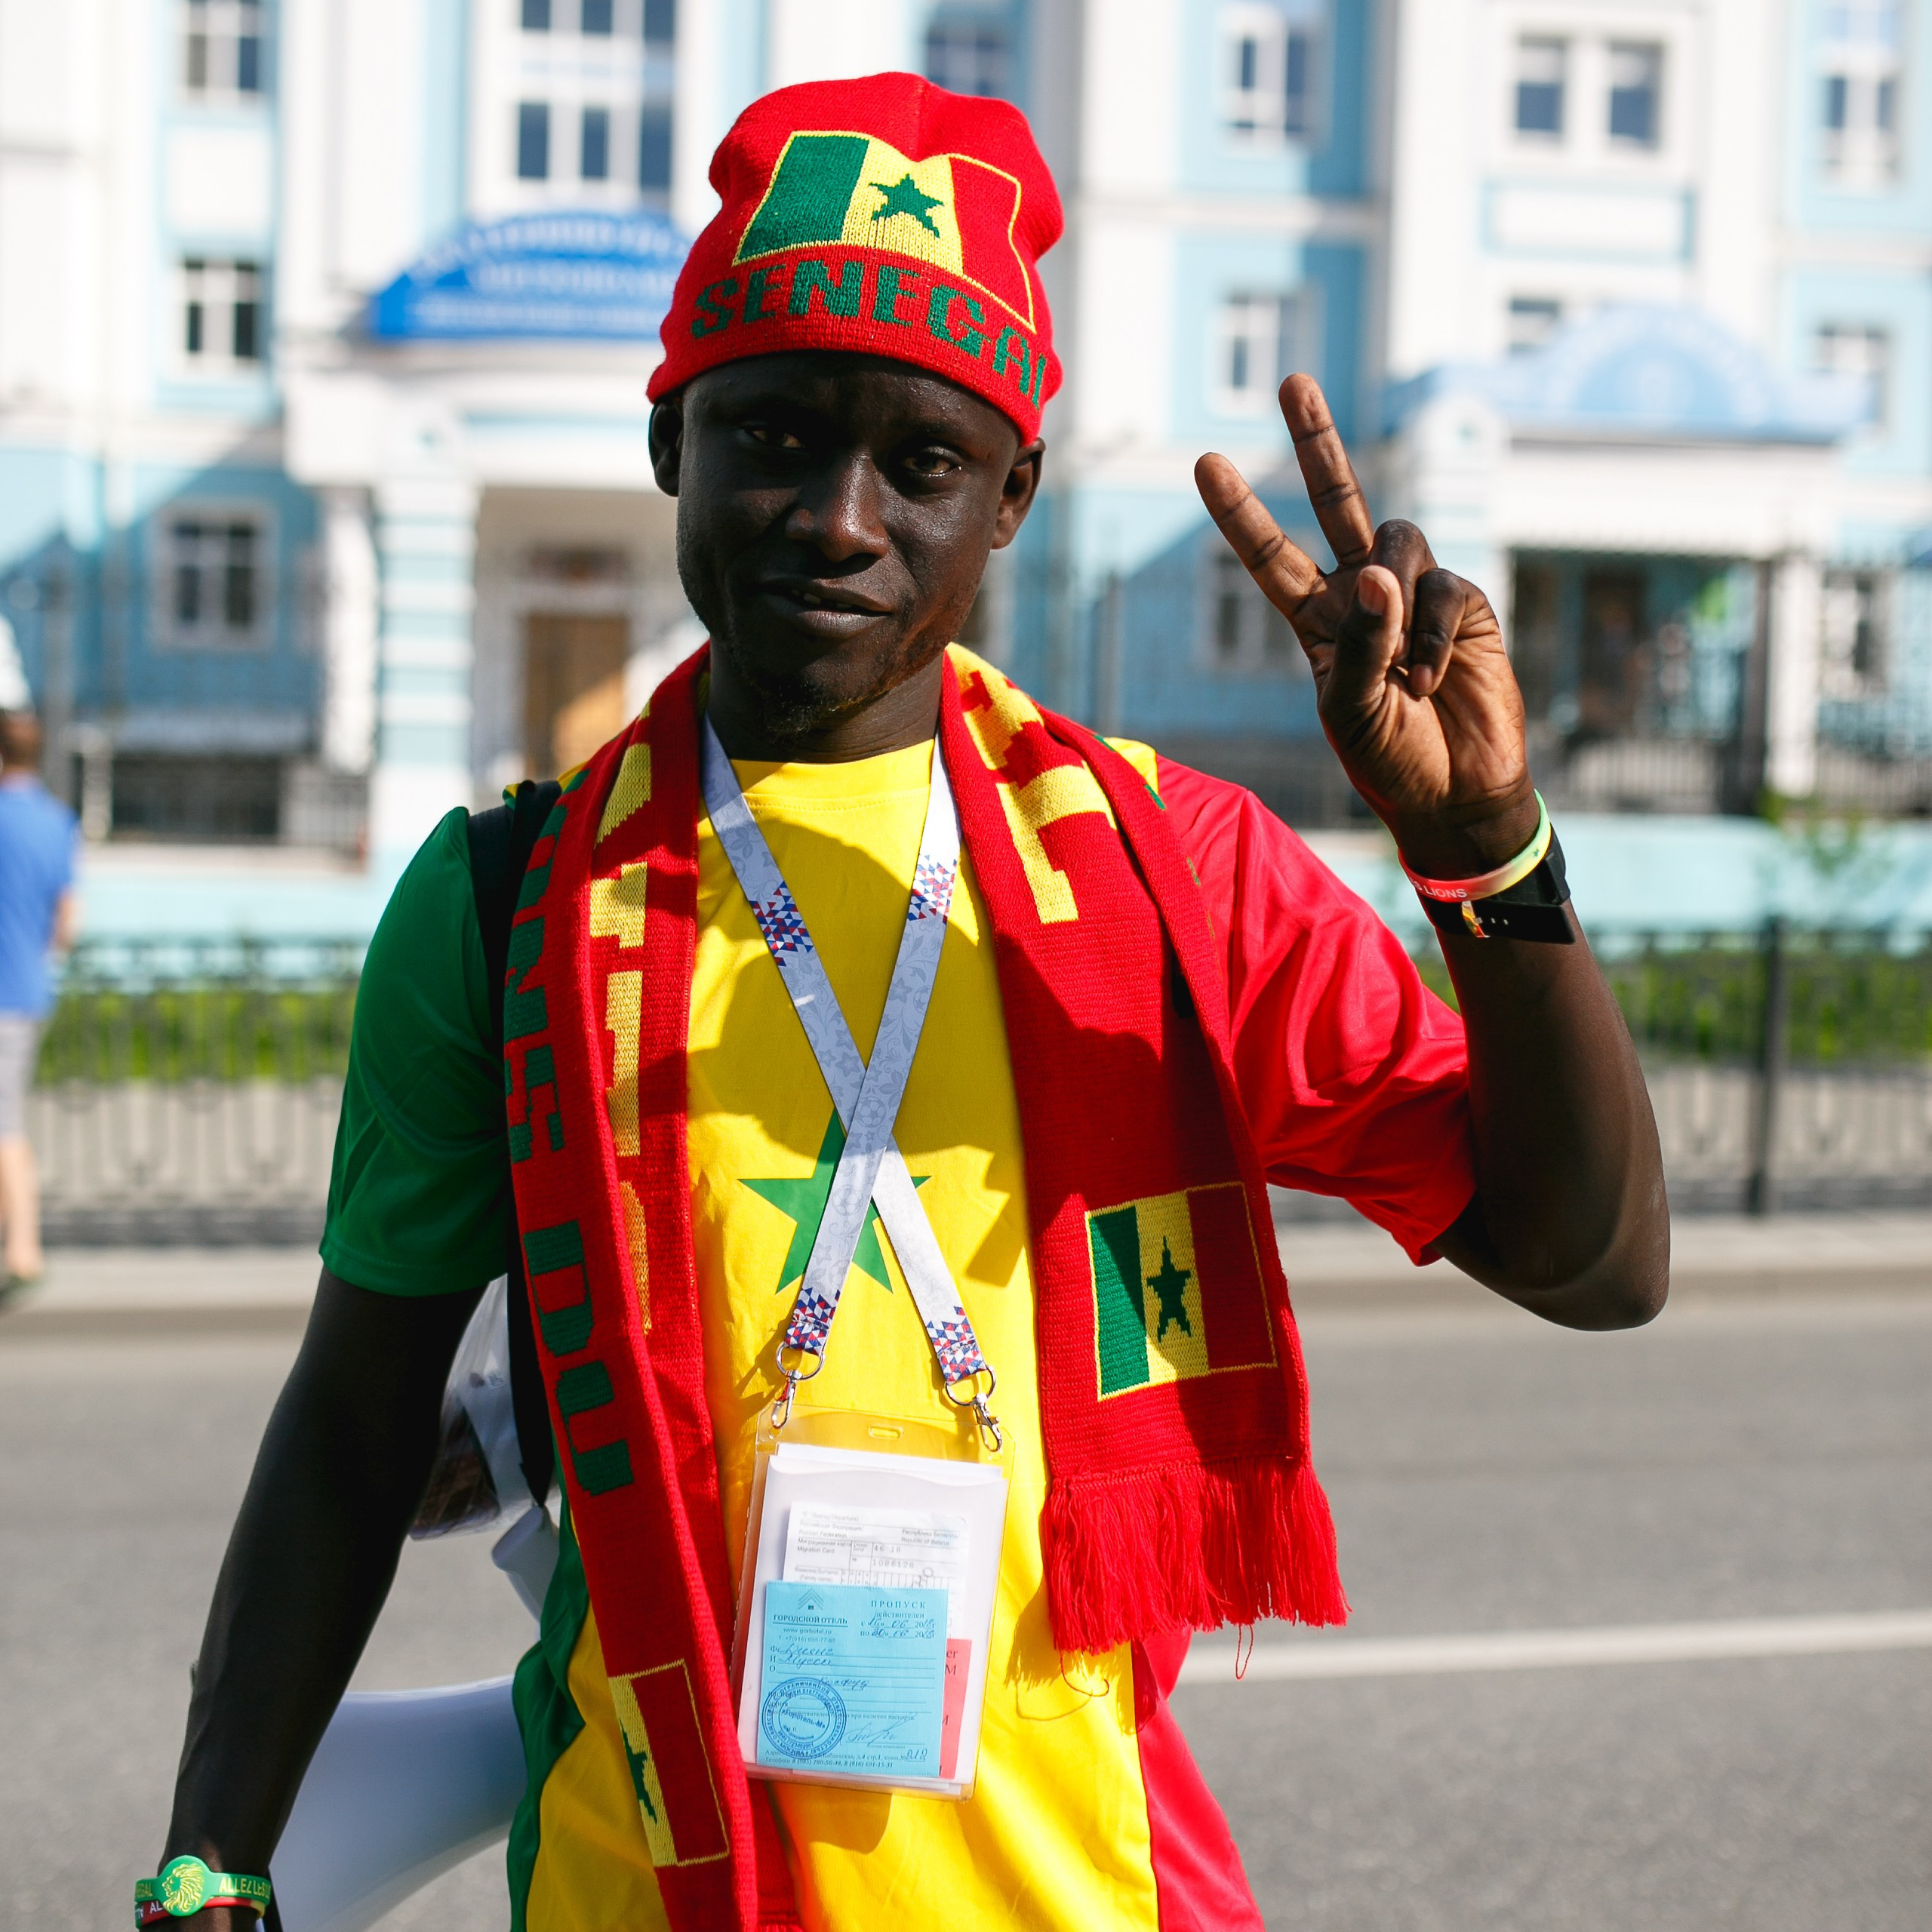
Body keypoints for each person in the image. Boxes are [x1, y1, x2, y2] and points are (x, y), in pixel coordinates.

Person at [153, 74, 1667, 1932]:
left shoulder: (1165, 872)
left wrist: (1484, 854)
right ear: (668, 446)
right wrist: (216, 1849)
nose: (836, 519)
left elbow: (1593, 1258)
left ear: (1012, 493)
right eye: (771, 435)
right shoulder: (502, 905)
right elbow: (353, 1413)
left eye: (921, 464)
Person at [0, 709, 78, 1293]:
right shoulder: (57, 821)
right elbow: (67, 923)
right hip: (27, 990)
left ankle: (24, 1250)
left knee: (4, 1125)